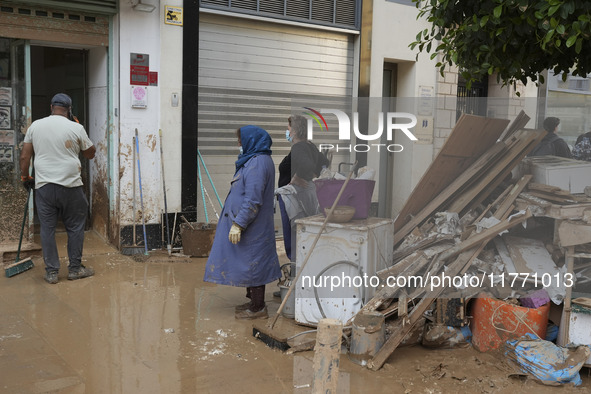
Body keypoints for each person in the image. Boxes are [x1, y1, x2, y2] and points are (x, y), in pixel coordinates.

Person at [204, 125, 281, 320]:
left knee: (254, 265)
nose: (239, 144)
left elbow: (253, 199)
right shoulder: (254, 161)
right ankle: (254, 303)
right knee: (250, 263)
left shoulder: (257, 163)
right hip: (251, 225)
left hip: (252, 226)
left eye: (241, 140)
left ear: (252, 141)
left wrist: (239, 224)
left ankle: (258, 308)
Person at [20, 93, 96, 284]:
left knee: (47, 229)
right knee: (76, 228)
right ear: (69, 109)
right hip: (71, 187)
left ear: (51, 107)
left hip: (45, 187)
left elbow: (24, 157)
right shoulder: (76, 127)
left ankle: (52, 272)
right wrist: (79, 132)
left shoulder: (35, 126)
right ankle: (75, 269)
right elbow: (90, 154)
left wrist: (25, 177)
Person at [277, 115, 329, 262]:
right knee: (304, 236)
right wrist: (313, 174)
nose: (287, 131)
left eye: (288, 128)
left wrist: (296, 177)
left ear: (295, 130)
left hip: (293, 199)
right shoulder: (310, 146)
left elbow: (306, 165)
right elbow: (325, 162)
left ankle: (296, 272)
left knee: (294, 239)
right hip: (306, 196)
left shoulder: (299, 147)